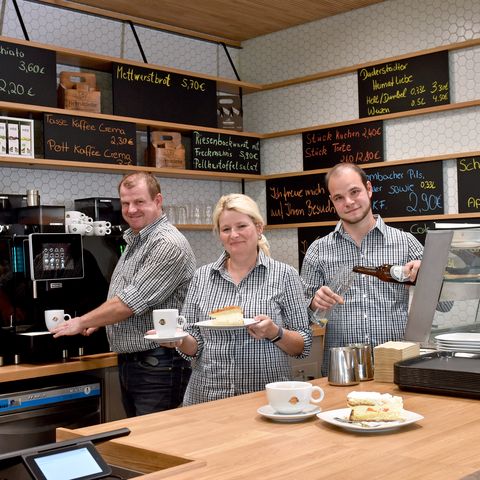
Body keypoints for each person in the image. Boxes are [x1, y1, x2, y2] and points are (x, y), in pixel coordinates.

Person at [53, 172, 196, 416]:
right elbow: (124, 294)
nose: (131, 209)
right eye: (126, 203)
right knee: (141, 442)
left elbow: (130, 302)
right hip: (138, 362)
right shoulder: (137, 240)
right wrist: (99, 321)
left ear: (158, 201)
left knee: (155, 444)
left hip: (160, 363)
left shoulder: (167, 244)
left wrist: (83, 321)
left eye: (139, 202)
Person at [157, 193, 312, 406]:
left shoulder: (285, 275)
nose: (234, 235)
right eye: (226, 229)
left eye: (241, 226)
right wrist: (179, 340)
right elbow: (195, 344)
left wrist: (274, 332)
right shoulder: (202, 276)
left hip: (265, 400)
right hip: (207, 397)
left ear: (259, 228)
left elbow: (303, 346)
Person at [300, 163, 423, 375]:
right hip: (342, 372)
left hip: (398, 368)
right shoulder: (317, 250)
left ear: (369, 188)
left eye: (354, 192)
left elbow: (446, 304)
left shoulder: (407, 243)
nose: (349, 202)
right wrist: (312, 304)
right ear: (332, 202)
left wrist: (426, 277)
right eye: (339, 197)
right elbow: (299, 319)